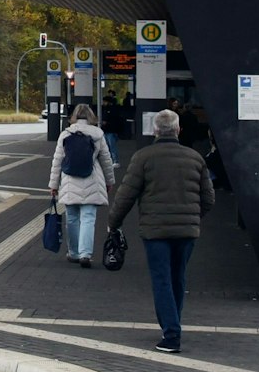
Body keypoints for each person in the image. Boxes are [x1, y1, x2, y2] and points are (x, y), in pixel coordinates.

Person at [110, 108, 215, 354]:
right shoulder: (195, 158)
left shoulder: (143, 157)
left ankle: (171, 334)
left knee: (162, 280)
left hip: (155, 231)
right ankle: (172, 323)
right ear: (178, 130)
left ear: (155, 130)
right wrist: (193, 218)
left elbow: (126, 195)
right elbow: (208, 198)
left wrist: (113, 222)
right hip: (187, 232)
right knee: (178, 278)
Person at [49, 103, 116, 268]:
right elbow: (106, 161)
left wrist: (53, 185)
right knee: (88, 218)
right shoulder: (98, 134)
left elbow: (57, 161)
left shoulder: (65, 134)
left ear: (74, 117)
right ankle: (86, 254)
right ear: (91, 117)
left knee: (72, 219)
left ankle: (74, 253)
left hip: (70, 180)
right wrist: (110, 181)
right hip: (92, 179)